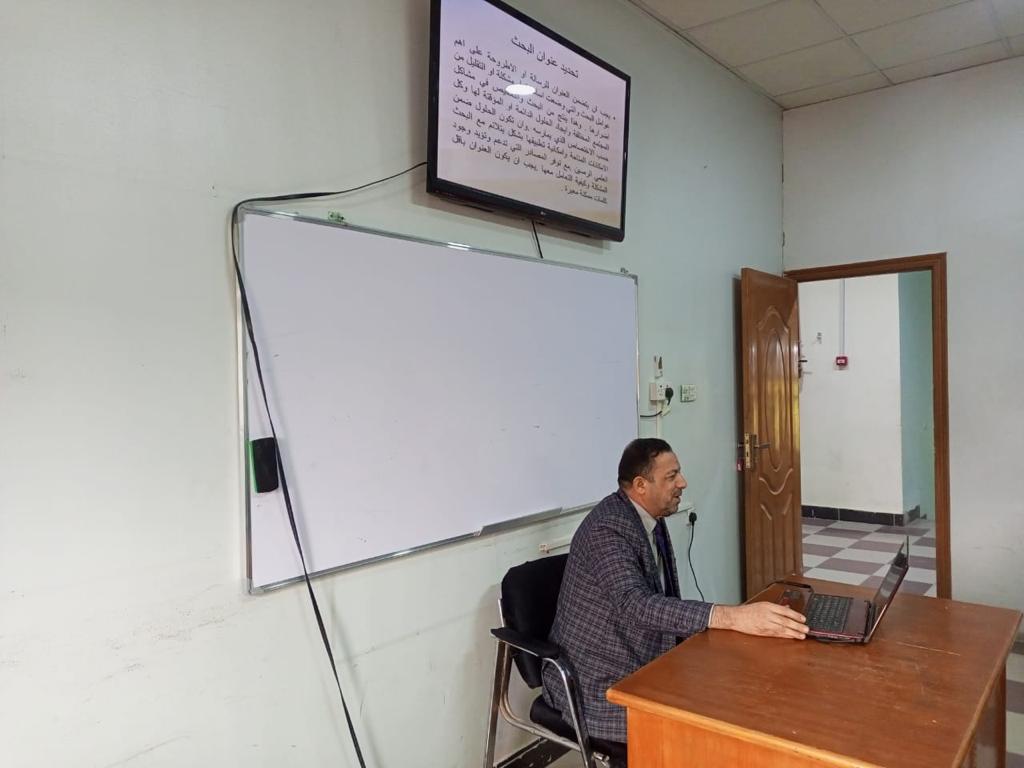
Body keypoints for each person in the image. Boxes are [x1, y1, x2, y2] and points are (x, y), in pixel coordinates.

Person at [541, 437, 807, 758]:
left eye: (678, 473)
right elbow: (635, 605)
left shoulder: (650, 516)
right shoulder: (607, 530)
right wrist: (731, 616)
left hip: (642, 656)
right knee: (705, 728)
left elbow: (660, 599)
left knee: (738, 687)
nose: (683, 482)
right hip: (595, 682)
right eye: (671, 476)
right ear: (641, 485)